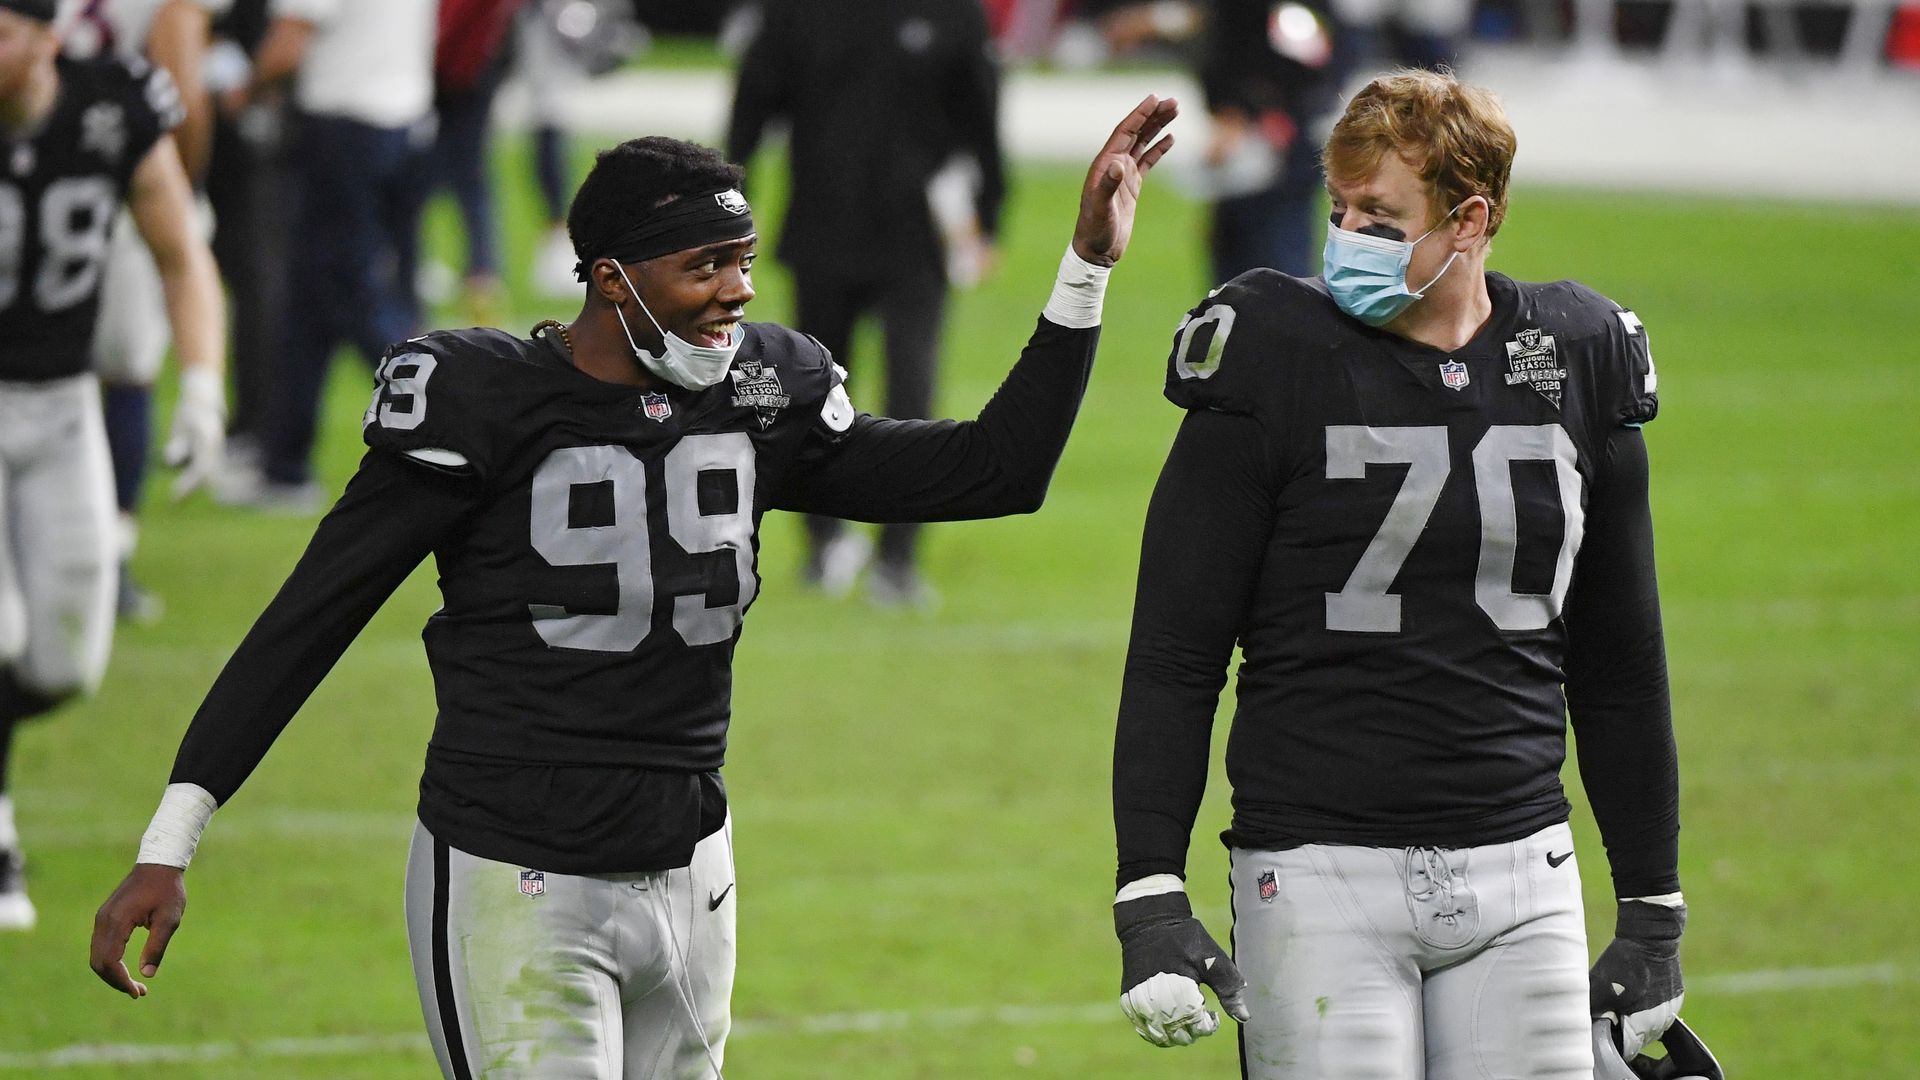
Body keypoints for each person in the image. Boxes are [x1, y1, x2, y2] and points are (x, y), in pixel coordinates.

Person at [90, 97, 1178, 1078]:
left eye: (744, 262)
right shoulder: (480, 401)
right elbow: (310, 618)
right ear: (612, 277)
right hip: (519, 875)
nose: (738, 292)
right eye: (706, 266)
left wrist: (1085, 268)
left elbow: (997, 472)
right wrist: (169, 841)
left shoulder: (761, 392)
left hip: (694, 875)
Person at [1108, 69, 1688, 1077]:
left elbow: (1620, 662)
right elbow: (1174, 649)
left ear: (1471, 219)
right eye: (1339, 210)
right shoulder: (1271, 353)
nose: (1347, 238)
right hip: (1317, 864)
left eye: (1379, 215)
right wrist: (1149, 886)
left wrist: (1652, 907)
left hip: (1522, 868)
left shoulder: (1576, 355)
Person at [0, 0, 226, 930]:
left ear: (48, 34)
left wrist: (204, 386)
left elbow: (180, 251)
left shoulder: (112, 103)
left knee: (66, 660)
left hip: (61, 407)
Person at [727, 0, 1006, 606]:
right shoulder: (799, 12)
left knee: (913, 395)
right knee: (810, 394)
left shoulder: (952, 11)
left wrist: (988, 214)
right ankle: (823, 541)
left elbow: (981, 108)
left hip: (916, 236)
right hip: (823, 228)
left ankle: (898, 558)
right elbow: (754, 100)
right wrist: (724, 199)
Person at [216, 0, 436, 511]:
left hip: (344, 127)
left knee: (354, 299)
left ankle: (446, 420)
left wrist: (244, 91)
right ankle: (283, 465)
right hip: (403, 120)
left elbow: (289, 42)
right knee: (309, 305)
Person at [61, 0, 232, 622]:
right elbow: (181, 70)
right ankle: (112, 551)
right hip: (112, 178)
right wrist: (181, 186)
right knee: (123, 369)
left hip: (38, 180)